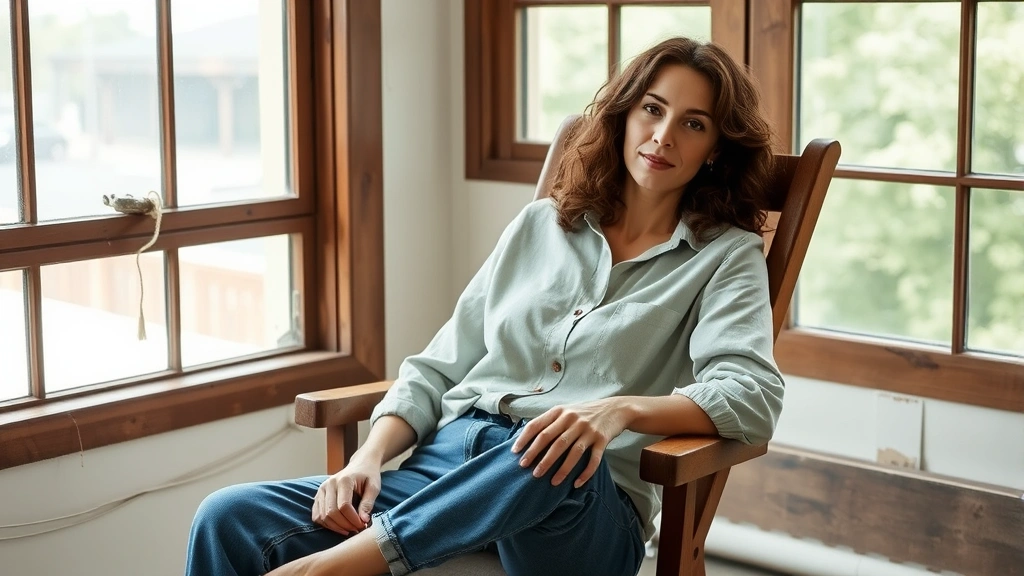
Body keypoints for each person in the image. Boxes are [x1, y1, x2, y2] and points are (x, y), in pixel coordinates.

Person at [185, 36, 783, 576]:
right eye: (652, 108)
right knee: (227, 516)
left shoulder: (725, 257)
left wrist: (615, 411)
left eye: (694, 123)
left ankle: (336, 570)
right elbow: (439, 366)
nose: (663, 136)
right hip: (448, 471)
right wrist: (367, 458)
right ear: (625, 114)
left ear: (714, 150)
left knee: (557, 447)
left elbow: (750, 395)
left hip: (577, 507)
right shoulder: (540, 226)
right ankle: (374, 549)